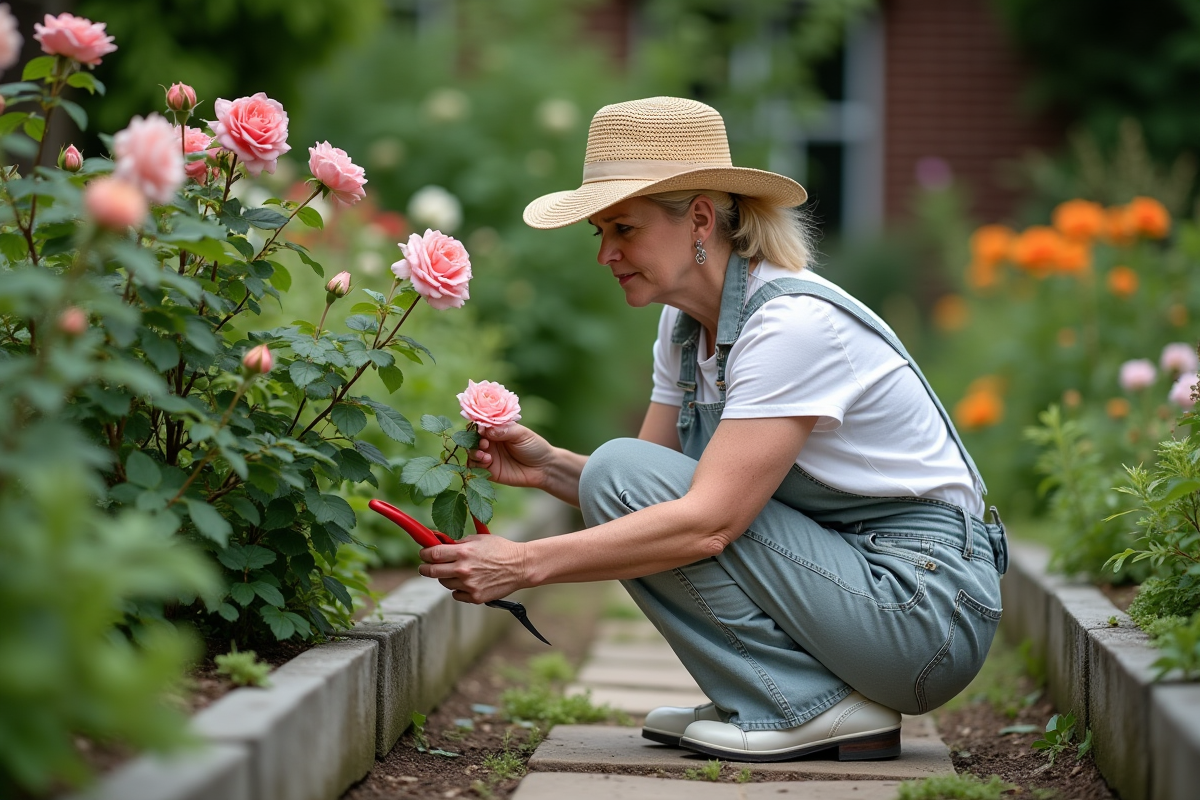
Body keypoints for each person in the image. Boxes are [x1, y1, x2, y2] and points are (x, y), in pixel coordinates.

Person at [416, 96, 1008, 763]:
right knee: (617, 470)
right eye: (599, 234)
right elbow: (642, 488)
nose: (605, 253)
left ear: (700, 217)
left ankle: (802, 703)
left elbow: (707, 523)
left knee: (636, 482)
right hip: (856, 585)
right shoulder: (685, 328)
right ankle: (774, 692)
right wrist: (550, 466)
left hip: (924, 612)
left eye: (624, 229)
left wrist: (525, 564)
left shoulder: (788, 326)